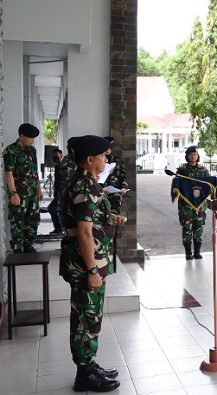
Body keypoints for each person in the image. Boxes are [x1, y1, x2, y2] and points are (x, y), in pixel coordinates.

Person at [60, 135, 124, 392]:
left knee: (91, 317)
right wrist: (92, 270)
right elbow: (84, 233)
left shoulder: (88, 183)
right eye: (103, 156)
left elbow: (89, 221)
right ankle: (84, 374)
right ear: (89, 159)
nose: (106, 160)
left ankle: (89, 363)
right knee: (85, 319)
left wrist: (110, 218)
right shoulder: (85, 186)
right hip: (86, 265)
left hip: (89, 262)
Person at [4, 123, 44, 253]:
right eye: (30, 138)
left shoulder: (32, 150)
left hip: (32, 193)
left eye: (34, 138)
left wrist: (39, 189)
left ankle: (29, 245)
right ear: (21, 136)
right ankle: (18, 249)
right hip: (19, 194)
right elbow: (8, 173)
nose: (32, 140)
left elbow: (35, 172)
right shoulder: (11, 150)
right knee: (18, 222)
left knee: (32, 220)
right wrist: (13, 193)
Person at [176, 146, 210, 260]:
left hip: (200, 205)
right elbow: (177, 185)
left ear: (198, 156)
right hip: (186, 205)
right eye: (190, 154)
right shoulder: (182, 170)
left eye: (195, 154)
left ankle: (197, 252)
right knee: (187, 228)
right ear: (187, 156)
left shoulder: (203, 170)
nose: (193, 156)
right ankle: (188, 253)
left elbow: (209, 186)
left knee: (198, 228)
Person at [103, 137, 128, 215]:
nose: (107, 151)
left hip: (115, 193)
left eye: (109, 148)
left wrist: (123, 187)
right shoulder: (98, 160)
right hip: (102, 192)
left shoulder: (117, 161)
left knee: (115, 215)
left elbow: (123, 176)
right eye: (105, 149)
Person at [48, 148, 66, 235]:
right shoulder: (57, 166)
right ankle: (61, 229)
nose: (55, 159)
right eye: (53, 158)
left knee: (52, 208)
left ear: (61, 157)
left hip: (63, 193)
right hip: (58, 192)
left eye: (57, 157)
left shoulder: (64, 167)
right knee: (60, 210)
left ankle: (59, 228)